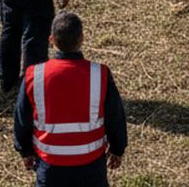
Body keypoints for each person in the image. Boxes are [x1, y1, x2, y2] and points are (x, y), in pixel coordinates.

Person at [15, 11, 127, 186]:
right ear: (82, 38)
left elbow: (22, 118)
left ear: (51, 39)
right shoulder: (100, 74)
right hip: (91, 166)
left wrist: (25, 151)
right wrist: (117, 148)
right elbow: (115, 117)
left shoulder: (34, 75)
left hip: (50, 164)